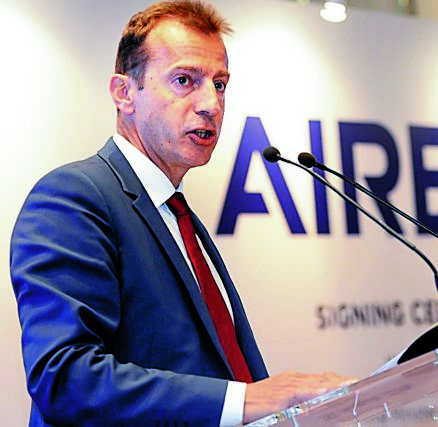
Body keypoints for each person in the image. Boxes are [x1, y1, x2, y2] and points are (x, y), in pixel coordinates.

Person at [9, 1, 354, 426]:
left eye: (220, 84)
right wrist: (244, 401)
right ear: (124, 93)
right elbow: (65, 380)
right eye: (184, 80)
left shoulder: (178, 215)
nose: (211, 103)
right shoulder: (74, 197)